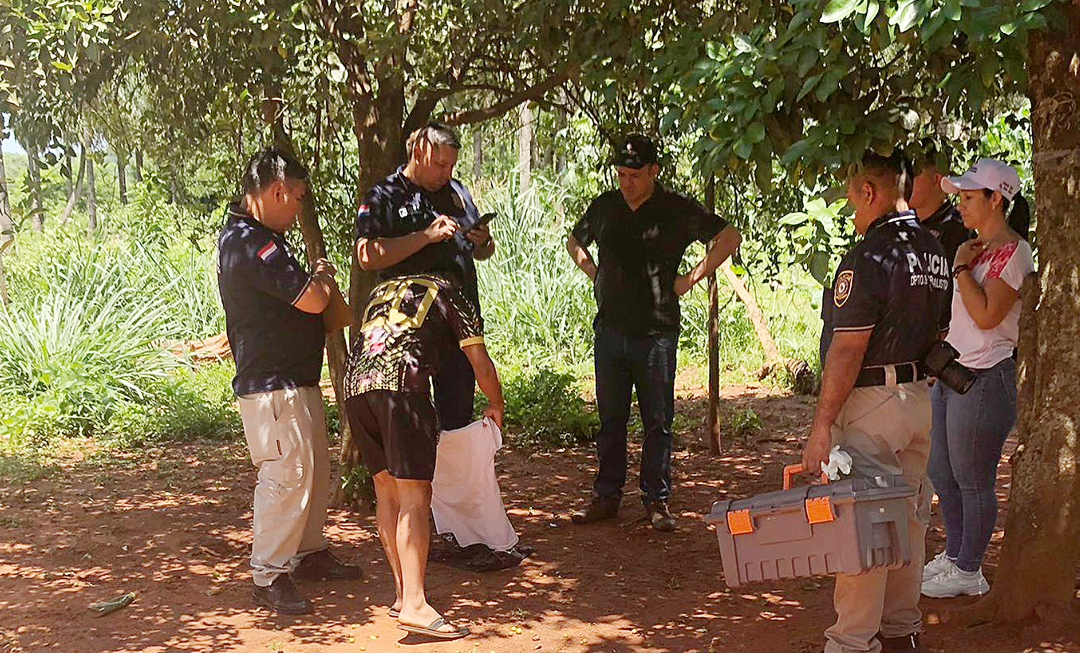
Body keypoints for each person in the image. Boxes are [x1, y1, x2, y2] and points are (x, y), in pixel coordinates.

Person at [802, 152, 950, 653]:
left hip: (871, 403)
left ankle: (851, 642)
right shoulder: (932, 249)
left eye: (851, 198)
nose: (851, 210)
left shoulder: (870, 256)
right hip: (918, 400)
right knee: (908, 520)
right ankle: (901, 628)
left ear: (870, 192)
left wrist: (822, 426)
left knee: (863, 525)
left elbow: (847, 346)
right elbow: (942, 330)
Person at [567, 134, 741, 532]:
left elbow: (728, 237)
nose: (626, 183)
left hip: (657, 333)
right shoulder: (606, 207)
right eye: (621, 174)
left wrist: (691, 279)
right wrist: (596, 275)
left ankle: (657, 500)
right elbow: (575, 241)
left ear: (653, 172)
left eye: (634, 175)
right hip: (610, 330)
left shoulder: (675, 209)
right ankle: (606, 495)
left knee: (658, 422)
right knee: (610, 418)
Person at [217, 148, 359, 615]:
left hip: (297, 378)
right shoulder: (250, 242)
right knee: (286, 474)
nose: (299, 207)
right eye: (296, 197)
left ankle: (308, 551)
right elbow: (314, 302)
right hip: (271, 383)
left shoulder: (262, 237)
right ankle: (270, 573)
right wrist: (319, 279)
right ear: (277, 191)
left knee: (312, 470)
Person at [343, 273, 505, 640]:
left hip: (355, 386)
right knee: (416, 496)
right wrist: (496, 402)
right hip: (402, 385)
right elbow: (479, 359)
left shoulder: (384, 289)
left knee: (386, 490)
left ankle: (403, 594)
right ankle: (416, 604)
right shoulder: (451, 291)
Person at [920, 159, 1034, 599]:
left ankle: (969, 567)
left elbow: (988, 317)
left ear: (996, 200)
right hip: (956, 372)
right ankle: (954, 556)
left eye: (969, 198)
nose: (961, 206)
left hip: (987, 376)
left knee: (972, 477)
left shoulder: (1013, 253)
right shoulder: (975, 247)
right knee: (943, 473)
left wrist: (960, 271)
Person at [355, 123, 494, 431]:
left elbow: (482, 252)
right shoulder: (384, 195)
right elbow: (366, 256)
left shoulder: (457, 192)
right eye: (440, 164)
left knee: (456, 419)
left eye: (452, 165)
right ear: (419, 152)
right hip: (407, 328)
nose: (447, 173)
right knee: (410, 420)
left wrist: (483, 240)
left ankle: (451, 479)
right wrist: (425, 236)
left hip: (458, 324)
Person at [908, 150, 972, 266]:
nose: (907, 182)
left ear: (936, 179)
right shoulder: (903, 223)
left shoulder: (958, 229)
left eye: (914, 175)